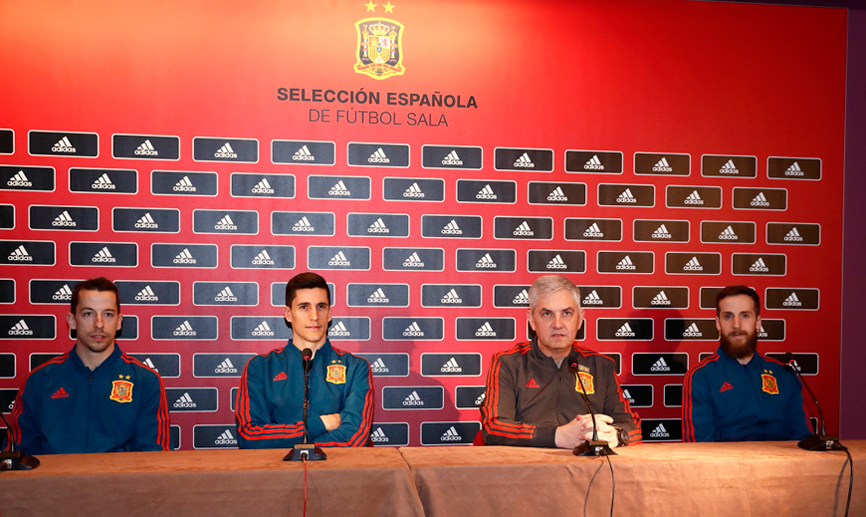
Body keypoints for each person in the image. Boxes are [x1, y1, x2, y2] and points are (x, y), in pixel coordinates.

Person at [3, 277, 170, 454]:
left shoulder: (145, 381)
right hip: (55, 481)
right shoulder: (39, 381)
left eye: (108, 314)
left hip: (121, 482)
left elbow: (155, 459)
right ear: (72, 321)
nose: (99, 324)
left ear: (119, 321)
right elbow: (18, 458)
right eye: (88, 314)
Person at [481, 275, 641, 448]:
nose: (557, 324)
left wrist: (615, 435)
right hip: (526, 470)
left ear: (579, 319)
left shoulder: (601, 366)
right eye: (547, 314)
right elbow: (494, 428)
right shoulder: (508, 363)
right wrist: (558, 436)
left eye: (566, 313)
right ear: (532, 320)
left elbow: (633, 429)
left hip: (587, 471)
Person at [235, 272, 373, 448]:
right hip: (278, 474)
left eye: (321, 306)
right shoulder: (260, 367)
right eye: (304, 307)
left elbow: (355, 436)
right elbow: (250, 436)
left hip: (339, 473)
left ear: (329, 313)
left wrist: (291, 446)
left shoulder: (356, 367)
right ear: (288, 314)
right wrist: (323, 424)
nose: (314, 316)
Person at [682, 285, 812, 442]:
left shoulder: (783, 374)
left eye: (745, 316)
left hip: (781, 464)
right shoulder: (701, 377)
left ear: (758, 323)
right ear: (718, 323)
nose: (736, 325)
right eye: (728, 316)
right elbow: (699, 447)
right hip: (726, 465)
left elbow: (802, 439)